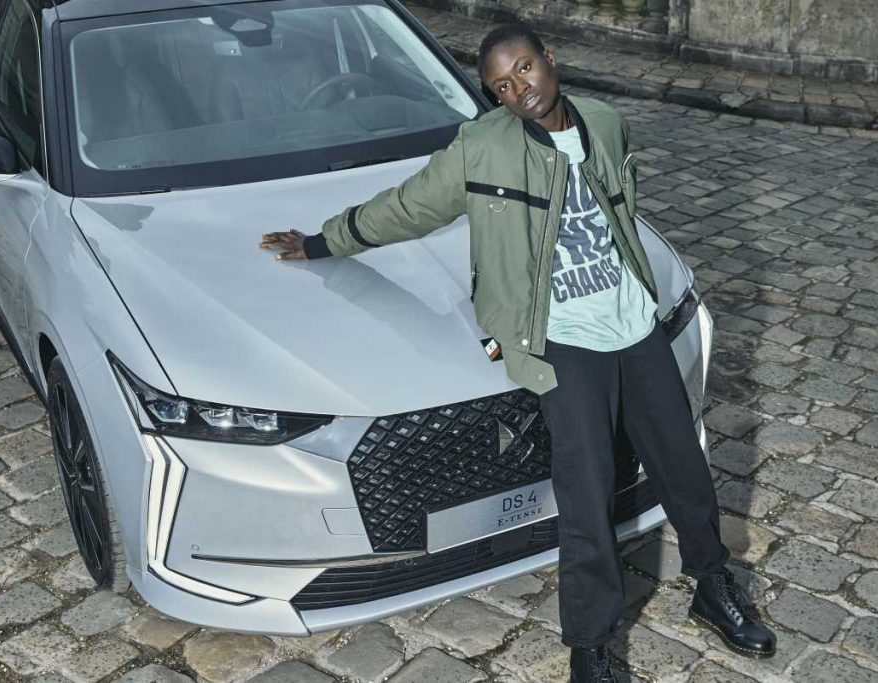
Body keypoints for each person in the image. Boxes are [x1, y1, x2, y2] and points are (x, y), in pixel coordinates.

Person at [261, 23, 775, 683]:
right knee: (587, 500)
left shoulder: (605, 124)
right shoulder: (483, 149)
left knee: (685, 467)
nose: (518, 89)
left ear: (548, 60)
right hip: (564, 341)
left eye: (524, 69)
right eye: (501, 86)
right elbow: (408, 207)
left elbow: (619, 220)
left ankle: (712, 584)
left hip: (633, 324)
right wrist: (320, 242)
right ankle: (591, 648)